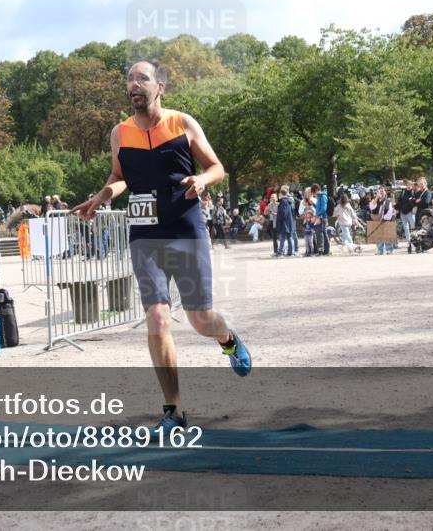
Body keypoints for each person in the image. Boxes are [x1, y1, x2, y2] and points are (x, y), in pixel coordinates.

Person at [70, 60, 251, 432]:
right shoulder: (120, 132)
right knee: (157, 316)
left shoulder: (181, 123)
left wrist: (202, 181)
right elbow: (120, 177)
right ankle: (174, 412)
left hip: (185, 226)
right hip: (145, 232)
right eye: (130, 80)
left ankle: (228, 339)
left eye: (142, 79)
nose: (134, 85)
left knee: (201, 319)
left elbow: (217, 167)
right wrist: (102, 196)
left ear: (161, 86)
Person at [368, 186, 397, 254]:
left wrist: (385, 218)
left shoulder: (388, 201)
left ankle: (389, 250)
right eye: (380, 191)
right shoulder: (375, 201)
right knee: (378, 235)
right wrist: (376, 197)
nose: (382, 193)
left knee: (387, 235)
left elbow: (390, 211)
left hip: (386, 220)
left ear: (385, 192)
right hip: (377, 220)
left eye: (383, 191)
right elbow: (371, 207)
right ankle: (380, 250)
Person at [276, 185, 297, 257]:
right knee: (289, 237)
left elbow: (283, 212)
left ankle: (280, 252)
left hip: (284, 223)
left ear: (281, 194)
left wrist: (280, 220)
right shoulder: (289, 200)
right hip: (289, 222)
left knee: (282, 237)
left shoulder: (283, 201)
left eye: (279, 194)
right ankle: (291, 251)